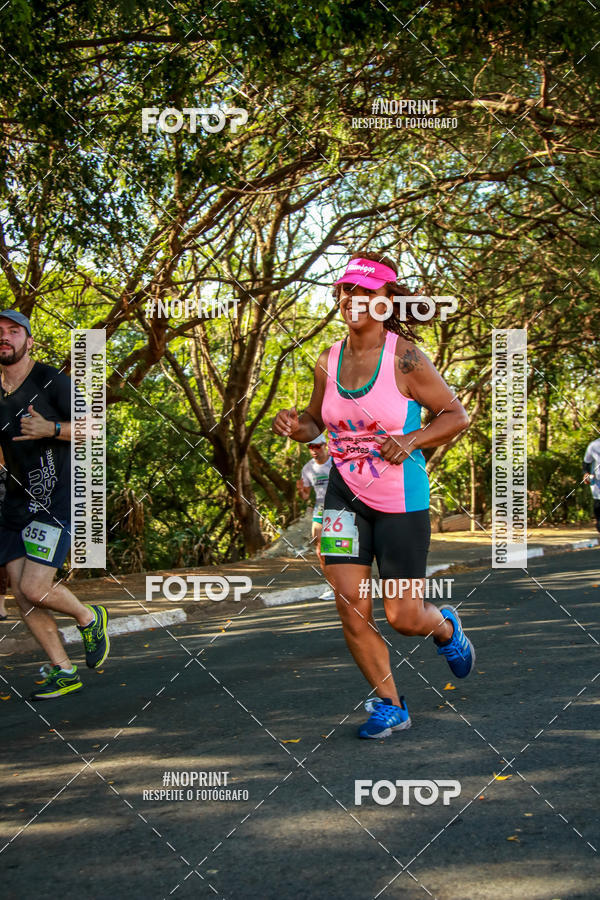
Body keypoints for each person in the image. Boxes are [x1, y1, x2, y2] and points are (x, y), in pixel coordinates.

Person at [273, 252, 475, 739]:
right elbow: (315, 422)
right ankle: (390, 704)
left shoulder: (406, 357)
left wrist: (411, 440)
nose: (352, 300)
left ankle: (444, 627)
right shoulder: (328, 358)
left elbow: (455, 415)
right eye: (346, 290)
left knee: (404, 616)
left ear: (386, 301)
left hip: (400, 498)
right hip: (344, 496)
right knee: (350, 605)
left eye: (365, 293)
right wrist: (295, 425)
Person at [0, 309, 110, 699]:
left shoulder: (50, 380)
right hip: (15, 505)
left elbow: (96, 428)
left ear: (29, 341)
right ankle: (64, 670)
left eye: (14, 331)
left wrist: (52, 428)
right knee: (20, 592)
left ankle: (87, 615)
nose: (5, 337)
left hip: (57, 502)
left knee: (35, 587)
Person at [296, 433, 334, 598]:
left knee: (340, 548)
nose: (314, 450)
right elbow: (305, 496)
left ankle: (348, 583)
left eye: (317, 446)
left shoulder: (336, 462)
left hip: (340, 507)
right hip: (320, 507)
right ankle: (333, 587)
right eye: (310, 447)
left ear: (325, 445)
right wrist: (301, 492)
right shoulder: (308, 468)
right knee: (320, 550)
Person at [583, 436, 600, 532]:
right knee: (598, 505)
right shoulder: (594, 445)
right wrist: (585, 473)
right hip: (598, 482)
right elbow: (586, 462)